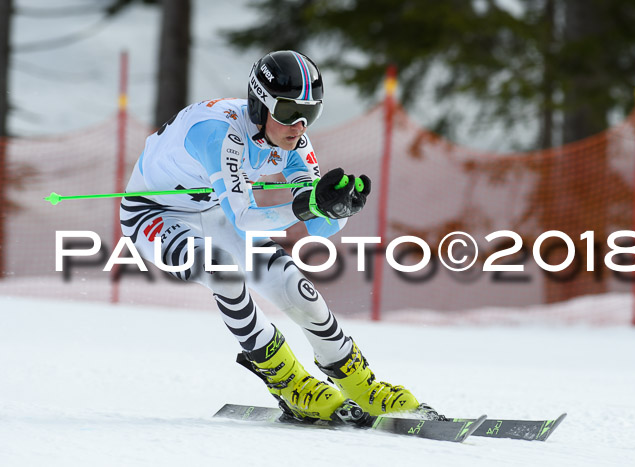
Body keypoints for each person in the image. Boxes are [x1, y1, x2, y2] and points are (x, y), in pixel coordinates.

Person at [120, 50, 420, 421]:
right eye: (289, 112)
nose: (299, 126)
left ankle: (360, 383)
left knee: (295, 288)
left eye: (310, 114)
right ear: (260, 106)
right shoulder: (218, 133)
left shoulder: (295, 143)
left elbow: (318, 227)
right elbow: (245, 217)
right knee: (221, 272)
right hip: (156, 214)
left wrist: (335, 211)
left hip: (213, 211)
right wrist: (306, 207)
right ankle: (286, 380)